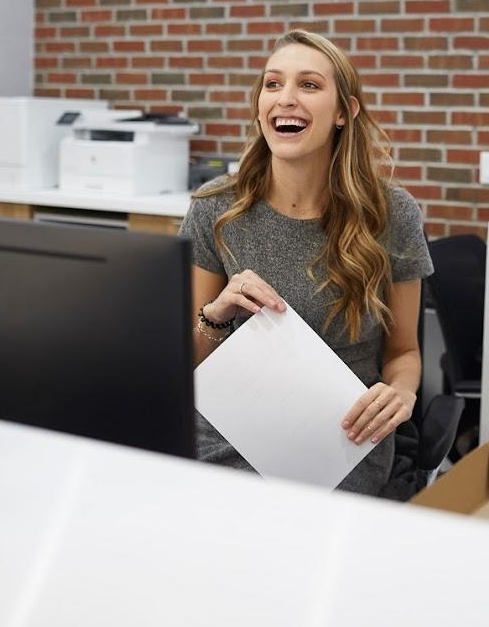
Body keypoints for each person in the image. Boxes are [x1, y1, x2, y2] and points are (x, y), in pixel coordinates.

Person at [179, 29, 433, 496]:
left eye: (309, 85)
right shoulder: (215, 209)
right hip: (223, 440)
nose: (286, 98)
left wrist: (400, 393)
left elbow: (404, 353)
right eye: (272, 84)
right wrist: (214, 316)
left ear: (344, 112)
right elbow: (187, 361)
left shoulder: (391, 214)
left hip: (338, 445)